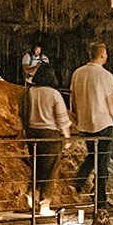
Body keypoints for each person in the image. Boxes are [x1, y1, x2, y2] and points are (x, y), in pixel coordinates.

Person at [70, 42, 113, 209]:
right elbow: (111, 102)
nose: (107, 56)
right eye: (106, 53)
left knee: (94, 156)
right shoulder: (105, 75)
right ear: (101, 54)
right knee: (102, 164)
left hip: (85, 124)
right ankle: (100, 202)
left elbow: (72, 99)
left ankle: (79, 182)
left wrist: (77, 117)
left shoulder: (77, 73)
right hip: (103, 123)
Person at [22, 62, 71, 216]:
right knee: (50, 169)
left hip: (32, 134)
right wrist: (67, 137)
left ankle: (31, 193)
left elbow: (22, 113)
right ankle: (44, 204)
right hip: (50, 135)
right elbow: (61, 117)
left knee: (37, 165)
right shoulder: (53, 94)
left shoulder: (28, 92)